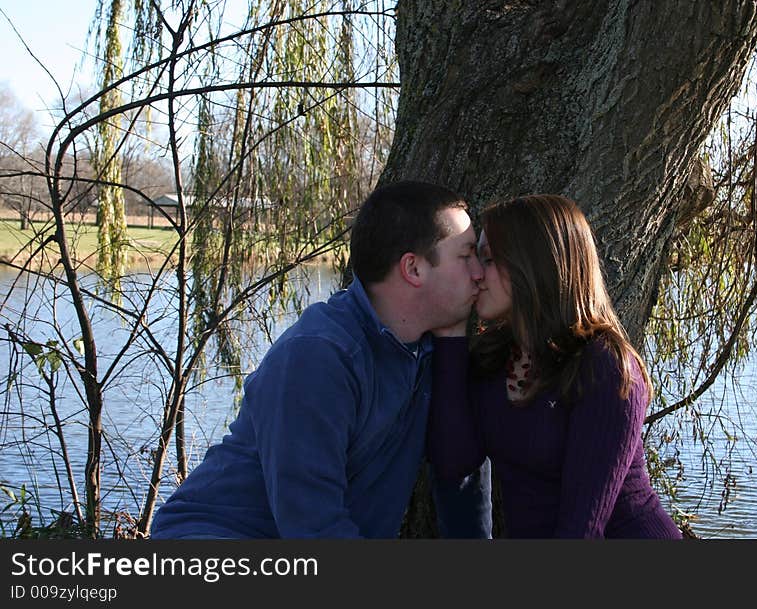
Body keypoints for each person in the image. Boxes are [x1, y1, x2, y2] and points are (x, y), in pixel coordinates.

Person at [151, 180, 491, 538]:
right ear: (414, 269)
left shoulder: (426, 349)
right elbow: (312, 526)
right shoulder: (320, 355)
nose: (479, 272)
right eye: (466, 256)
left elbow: (460, 470)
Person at [428, 194, 682, 538]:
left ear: (532, 265)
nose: (474, 273)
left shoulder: (605, 368)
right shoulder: (494, 357)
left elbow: (582, 530)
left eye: (487, 259)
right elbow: (453, 462)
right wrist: (450, 332)